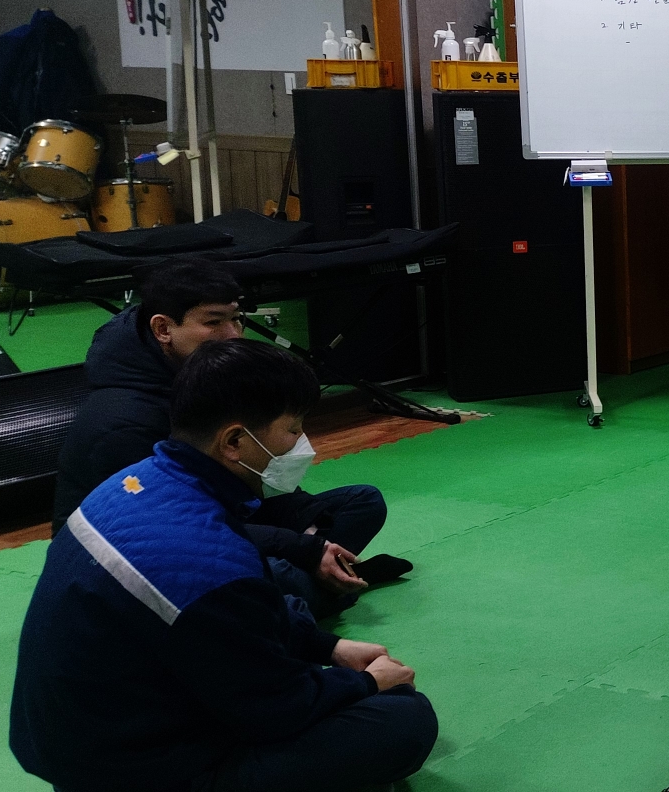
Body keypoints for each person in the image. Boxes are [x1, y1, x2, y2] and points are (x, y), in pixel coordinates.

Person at [10, 339, 438, 792]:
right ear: (235, 441)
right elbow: (278, 708)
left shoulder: (135, 482)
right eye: (293, 429)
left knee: (282, 610)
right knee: (404, 717)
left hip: (83, 739)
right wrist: (365, 684)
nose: (303, 444)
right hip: (135, 770)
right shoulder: (208, 564)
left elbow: (238, 623)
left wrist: (328, 647)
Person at [52, 258, 407, 614]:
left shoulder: (209, 373)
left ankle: (318, 582)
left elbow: (247, 475)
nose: (233, 334)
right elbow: (172, 528)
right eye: (213, 322)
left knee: (362, 502)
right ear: (163, 329)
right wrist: (301, 546)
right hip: (144, 551)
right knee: (282, 575)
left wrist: (306, 533)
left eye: (236, 318)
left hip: (219, 513)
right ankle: (322, 586)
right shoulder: (125, 422)